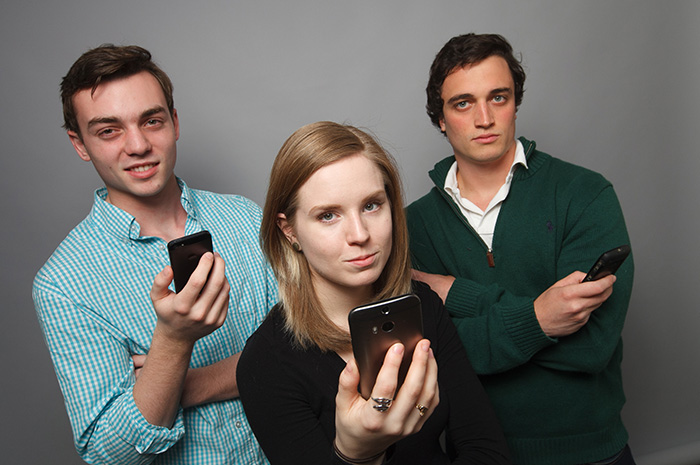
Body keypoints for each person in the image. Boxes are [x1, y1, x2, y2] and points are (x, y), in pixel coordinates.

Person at [32, 44, 277, 464]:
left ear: (175, 122)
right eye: (109, 130)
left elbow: (312, 346)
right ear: (80, 144)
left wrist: (184, 385)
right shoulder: (62, 285)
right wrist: (173, 342)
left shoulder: (244, 217)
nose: (138, 144)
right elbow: (110, 455)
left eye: (152, 121)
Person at [406, 33, 635, 465]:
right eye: (462, 103)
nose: (484, 117)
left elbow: (591, 348)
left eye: (498, 97)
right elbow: (431, 356)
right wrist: (541, 318)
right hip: (478, 453)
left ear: (516, 103)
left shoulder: (585, 194)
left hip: (590, 453)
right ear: (440, 118)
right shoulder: (411, 227)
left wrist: (461, 294)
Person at [237, 121, 511, 465]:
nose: (359, 234)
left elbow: (487, 450)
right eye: (328, 215)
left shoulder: (422, 305)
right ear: (289, 230)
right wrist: (357, 455)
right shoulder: (266, 362)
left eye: (371, 205)